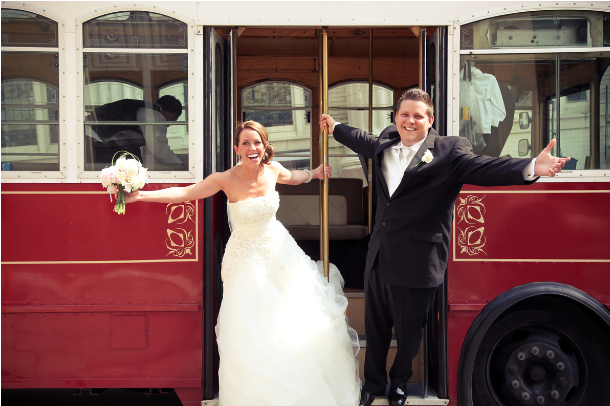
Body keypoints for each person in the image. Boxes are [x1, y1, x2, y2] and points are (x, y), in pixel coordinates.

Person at [319, 88, 570, 406]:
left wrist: (533, 166)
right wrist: (336, 126)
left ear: (430, 119)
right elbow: (362, 140)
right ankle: (373, 384)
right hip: (380, 256)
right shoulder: (385, 141)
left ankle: (399, 384)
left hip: (419, 261)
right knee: (377, 326)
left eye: (418, 116)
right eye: (404, 114)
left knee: (409, 334)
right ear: (396, 117)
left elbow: (486, 168)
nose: (410, 121)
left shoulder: (450, 151)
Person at [121, 120, 361, 406]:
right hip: (245, 258)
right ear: (236, 148)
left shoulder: (273, 169)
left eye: (257, 142)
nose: (252, 148)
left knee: (291, 318)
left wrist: (316, 173)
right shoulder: (224, 178)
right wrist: (141, 196)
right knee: (251, 324)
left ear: (264, 146)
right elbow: (186, 193)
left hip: (280, 249)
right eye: (245, 143)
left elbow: (293, 176)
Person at [86, 95, 183, 165]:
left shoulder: (144, 110)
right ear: (172, 115)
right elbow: (158, 148)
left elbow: (130, 145)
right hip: (94, 136)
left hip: (94, 133)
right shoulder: (155, 116)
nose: (167, 126)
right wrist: (180, 166)